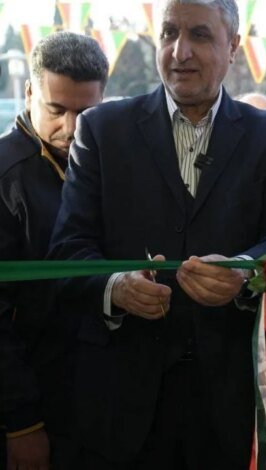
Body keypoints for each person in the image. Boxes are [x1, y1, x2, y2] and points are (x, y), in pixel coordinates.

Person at [47, 0, 266, 467]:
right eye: (169, 33)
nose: (179, 51)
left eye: (199, 35)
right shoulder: (102, 130)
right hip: (120, 405)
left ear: (234, 47)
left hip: (229, 403)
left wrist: (244, 272)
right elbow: (68, 248)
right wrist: (115, 287)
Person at [0, 31, 107, 470]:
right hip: (32, 403)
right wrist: (21, 424)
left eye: (85, 112)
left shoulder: (109, 163)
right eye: (56, 110)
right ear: (29, 93)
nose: (71, 127)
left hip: (99, 400)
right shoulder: (6, 176)